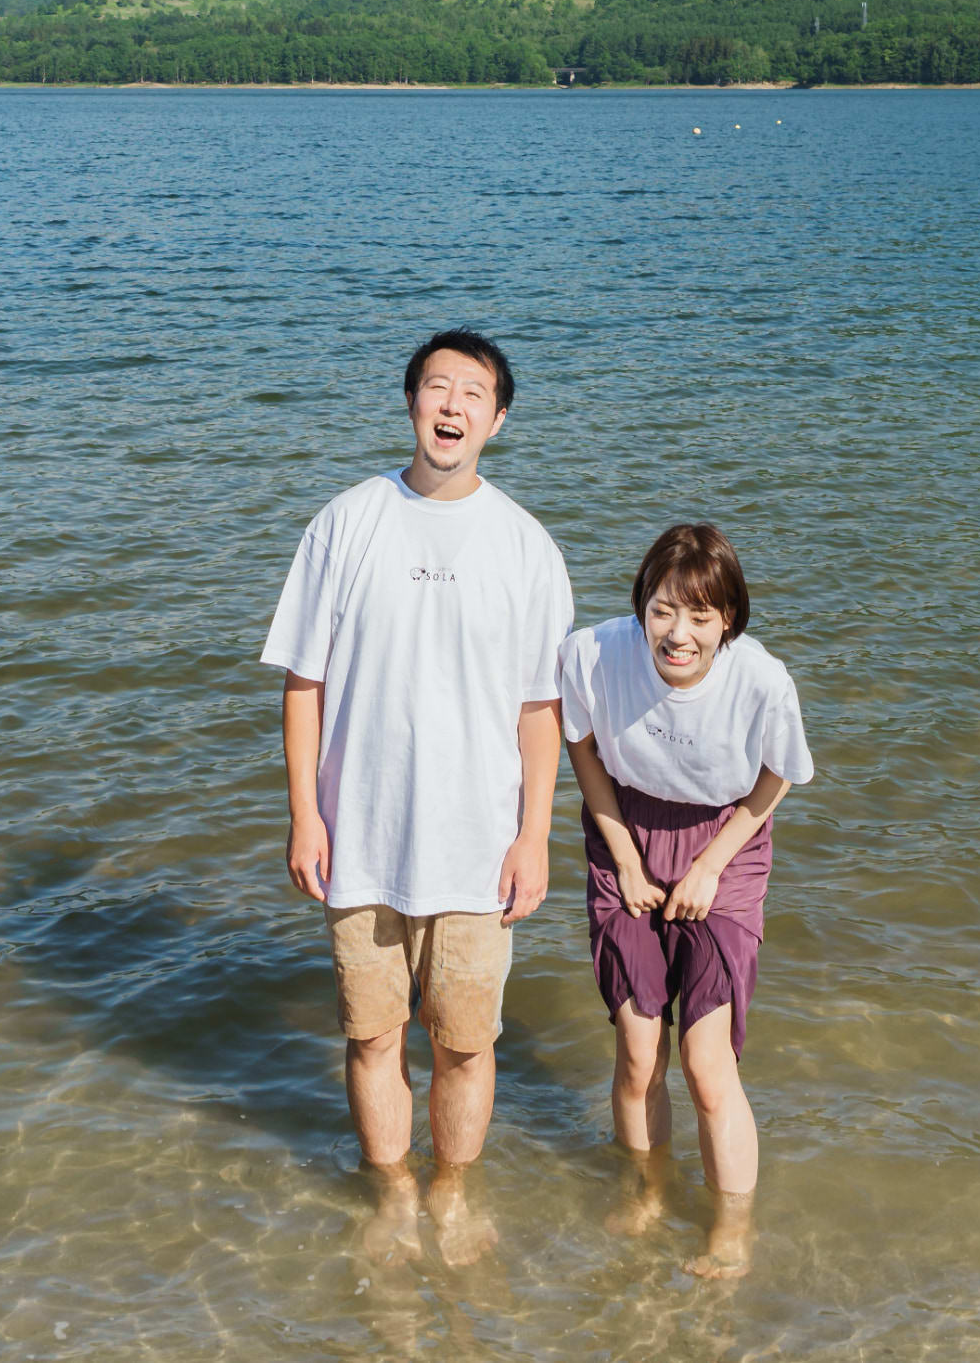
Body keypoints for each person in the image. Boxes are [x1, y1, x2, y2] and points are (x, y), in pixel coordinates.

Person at [260, 328, 572, 1260]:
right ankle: (393, 1192)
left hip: (478, 845)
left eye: (473, 394)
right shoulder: (348, 522)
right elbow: (304, 682)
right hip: (360, 837)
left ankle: (452, 1192)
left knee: (467, 1044)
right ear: (410, 403)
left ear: (498, 420)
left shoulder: (525, 545)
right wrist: (305, 814)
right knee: (371, 1036)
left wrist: (534, 837)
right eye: (437, 388)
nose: (452, 406)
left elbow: (541, 709)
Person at [560, 520, 813, 1280]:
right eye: (663, 610)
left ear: (727, 618)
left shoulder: (761, 680)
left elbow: (778, 775)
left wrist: (707, 867)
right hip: (625, 828)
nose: (678, 634)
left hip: (724, 842)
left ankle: (731, 1232)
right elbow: (581, 746)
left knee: (706, 1061)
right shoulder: (594, 654)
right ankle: (649, 1193)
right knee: (639, 1050)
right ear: (641, 606)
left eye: (700, 616)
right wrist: (626, 858)